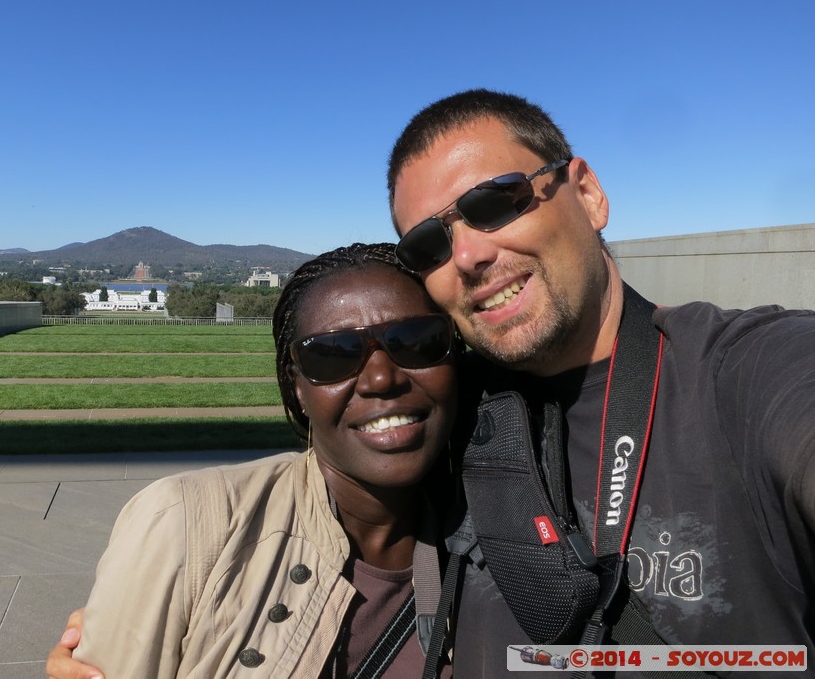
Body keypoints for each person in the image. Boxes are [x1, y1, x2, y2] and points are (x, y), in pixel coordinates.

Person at [50, 90, 815, 676]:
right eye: (429, 243)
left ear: (586, 194)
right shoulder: (459, 409)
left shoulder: (746, 376)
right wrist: (147, 606)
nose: (470, 254)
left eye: (496, 201)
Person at [52, 242, 460, 679]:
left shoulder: (498, 533)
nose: (381, 378)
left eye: (416, 340)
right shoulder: (186, 524)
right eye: (333, 353)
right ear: (297, 388)